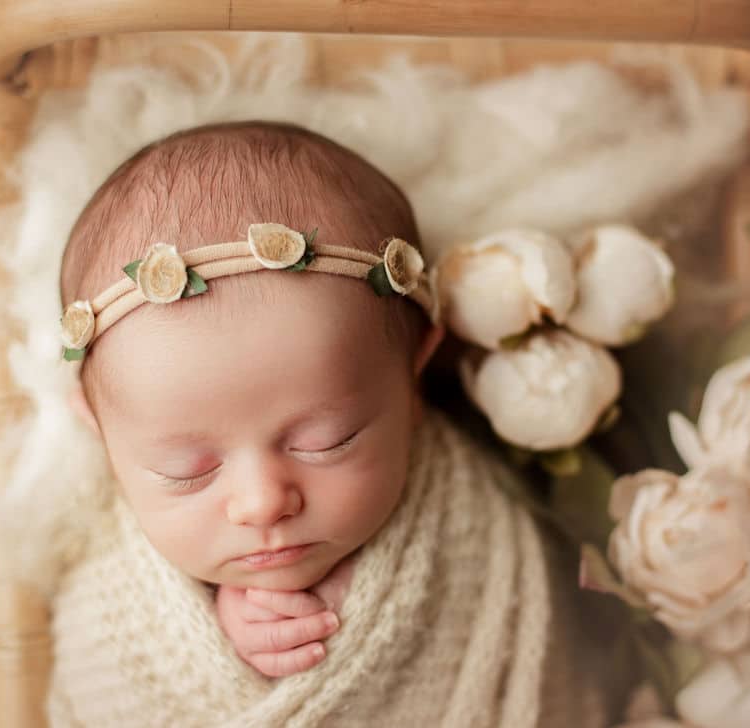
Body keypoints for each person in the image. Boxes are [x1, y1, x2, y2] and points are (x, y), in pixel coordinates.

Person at [48, 120, 604, 727]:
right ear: (100, 434)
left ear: (413, 380)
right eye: (188, 471)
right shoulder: (120, 610)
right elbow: (117, 679)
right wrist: (217, 632)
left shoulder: (470, 516)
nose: (263, 504)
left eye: (325, 441)